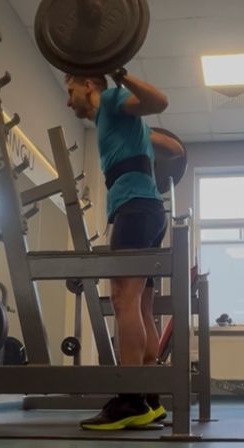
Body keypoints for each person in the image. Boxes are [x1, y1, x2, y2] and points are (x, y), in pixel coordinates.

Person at [64, 68, 182, 431]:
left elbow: (159, 101)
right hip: (150, 210)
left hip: (135, 209)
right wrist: (143, 138)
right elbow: (176, 150)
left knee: (122, 300)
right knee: (141, 305)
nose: (68, 101)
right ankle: (150, 399)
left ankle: (130, 400)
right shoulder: (121, 122)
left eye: (70, 90)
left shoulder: (112, 99)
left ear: (88, 85)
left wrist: (121, 75)